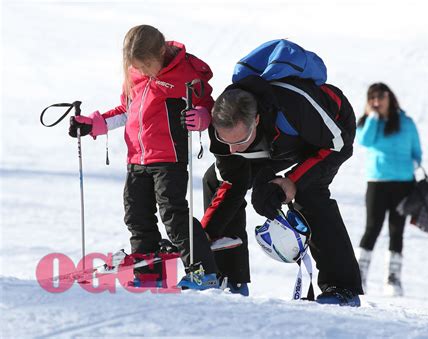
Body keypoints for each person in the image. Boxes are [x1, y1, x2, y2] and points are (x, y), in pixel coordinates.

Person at [200, 40, 363, 304]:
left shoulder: (295, 104)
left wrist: (292, 181)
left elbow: (339, 146)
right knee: (215, 179)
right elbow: (233, 178)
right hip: (275, 142)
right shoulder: (223, 129)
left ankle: (342, 288)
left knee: (309, 193)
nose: (232, 148)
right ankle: (229, 277)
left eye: (239, 141)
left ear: (256, 120)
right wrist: (206, 232)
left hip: (327, 134)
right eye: (225, 140)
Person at [68, 24, 219, 290]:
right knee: (136, 214)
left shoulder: (185, 74)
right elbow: (126, 110)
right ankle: (149, 270)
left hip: (169, 158)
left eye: (148, 64)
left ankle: (203, 272)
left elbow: (207, 104)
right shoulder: (135, 74)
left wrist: (202, 117)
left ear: (161, 51)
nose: (145, 71)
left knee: (173, 214)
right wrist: (94, 124)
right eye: (139, 66)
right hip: (137, 157)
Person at [356, 82, 422, 296]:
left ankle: (393, 279)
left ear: (389, 98)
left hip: (404, 184)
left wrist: (412, 167)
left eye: (380, 97)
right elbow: (364, 141)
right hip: (377, 183)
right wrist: (374, 118)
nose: (376, 102)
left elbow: (417, 152)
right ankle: (359, 276)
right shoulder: (367, 123)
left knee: (397, 230)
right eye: (372, 98)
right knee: (372, 228)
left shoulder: (406, 122)